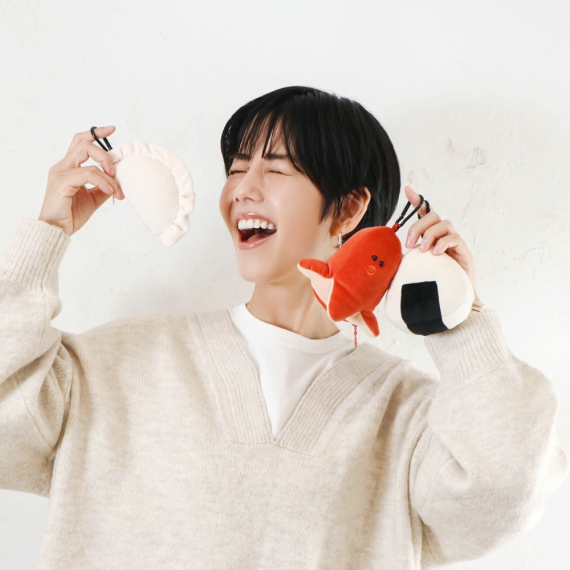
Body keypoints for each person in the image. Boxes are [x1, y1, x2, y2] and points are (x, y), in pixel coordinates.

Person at [0, 86, 567, 569]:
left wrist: (458, 321)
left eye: (274, 169)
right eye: (236, 168)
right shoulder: (122, 364)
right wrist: (48, 232)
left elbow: (502, 491)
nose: (241, 189)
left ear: (347, 209)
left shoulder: (407, 420)